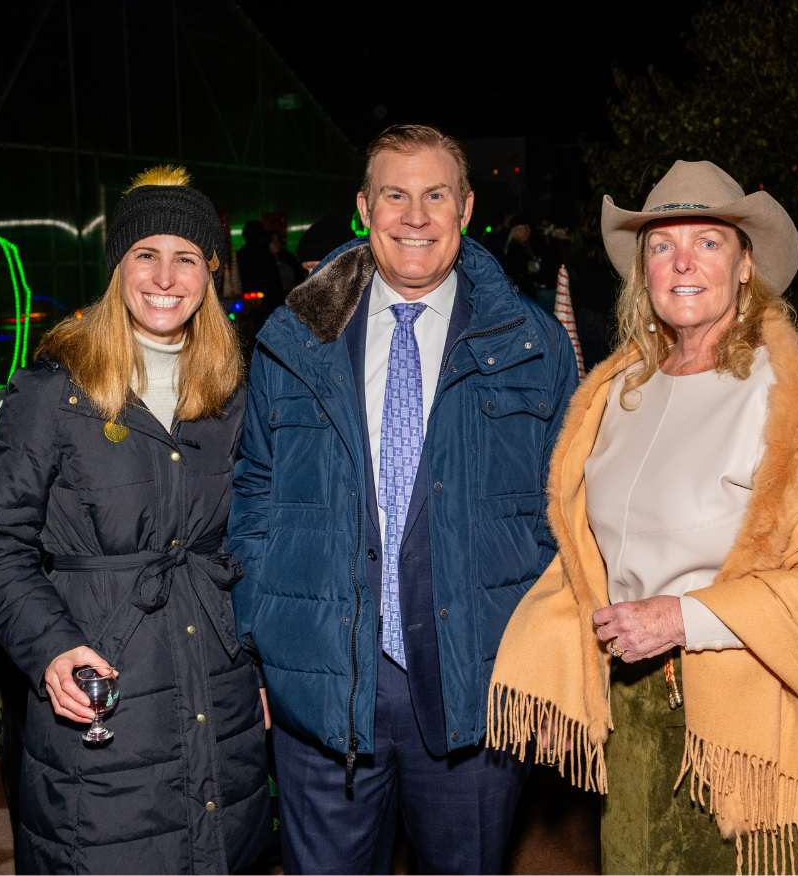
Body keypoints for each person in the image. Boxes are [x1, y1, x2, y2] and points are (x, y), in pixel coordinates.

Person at [488, 160, 798, 874]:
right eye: (662, 245)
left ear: (746, 265)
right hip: (638, 723)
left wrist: (689, 618)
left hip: (759, 725)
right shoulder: (618, 391)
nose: (682, 262)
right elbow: (588, 552)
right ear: (642, 270)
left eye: (708, 242)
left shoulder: (791, 401)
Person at [228, 125, 580, 875]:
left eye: (434, 194)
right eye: (394, 194)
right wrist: (264, 641)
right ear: (364, 207)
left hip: (475, 688)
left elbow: (569, 517)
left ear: (466, 206)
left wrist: (549, 664)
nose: (414, 215)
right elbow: (254, 490)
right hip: (323, 687)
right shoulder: (294, 338)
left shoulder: (531, 345)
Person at [0, 165, 271, 873]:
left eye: (186, 257)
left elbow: (254, 538)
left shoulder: (232, 394)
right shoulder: (54, 393)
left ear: (209, 273)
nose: (166, 276)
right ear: (117, 268)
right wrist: (50, 648)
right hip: (104, 679)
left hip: (216, 679)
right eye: (146, 254)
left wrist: (261, 668)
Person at [236, 220, 284, 332]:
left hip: (246, 301)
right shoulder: (266, 255)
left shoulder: (240, 254)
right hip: (269, 302)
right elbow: (275, 283)